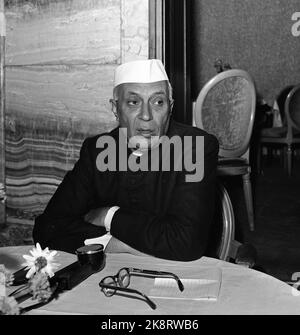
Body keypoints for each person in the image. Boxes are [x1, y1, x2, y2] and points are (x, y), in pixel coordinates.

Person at [33, 59, 219, 261]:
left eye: (158, 102)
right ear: (115, 107)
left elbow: (186, 243)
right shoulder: (97, 151)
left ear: (170, 107)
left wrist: (109, 216)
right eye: (133, 102)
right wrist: (114, 244)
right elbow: (47, 228)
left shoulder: (196, 147)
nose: (146, 116)